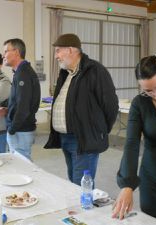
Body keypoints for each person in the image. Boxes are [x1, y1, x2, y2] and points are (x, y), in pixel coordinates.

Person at [44, 33, 119, 185]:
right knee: (72, 181)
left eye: (58, 51)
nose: (56, 56)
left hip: (84, 139)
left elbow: (110, 105)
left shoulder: (95, 71)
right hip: (66, 138)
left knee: (81, 185)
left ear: (71, 50)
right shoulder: (66, 73)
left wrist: (99, 130)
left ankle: (86, 208)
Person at [112, 53, 156, 221]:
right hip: (153, 183)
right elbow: (132, 144)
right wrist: (127, 184)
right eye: (149, 91)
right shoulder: (140, 103)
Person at [0, 38, 41, 160]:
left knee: (23, 165)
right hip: (20, 128)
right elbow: (19, 102)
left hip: (21, 130)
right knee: (20, 163)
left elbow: (23, 107)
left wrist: (12, 128)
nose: (3, 56)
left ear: (16, 52)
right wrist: (7, 109)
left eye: (6, 51)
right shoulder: (20, 72)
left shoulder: (23, 74)